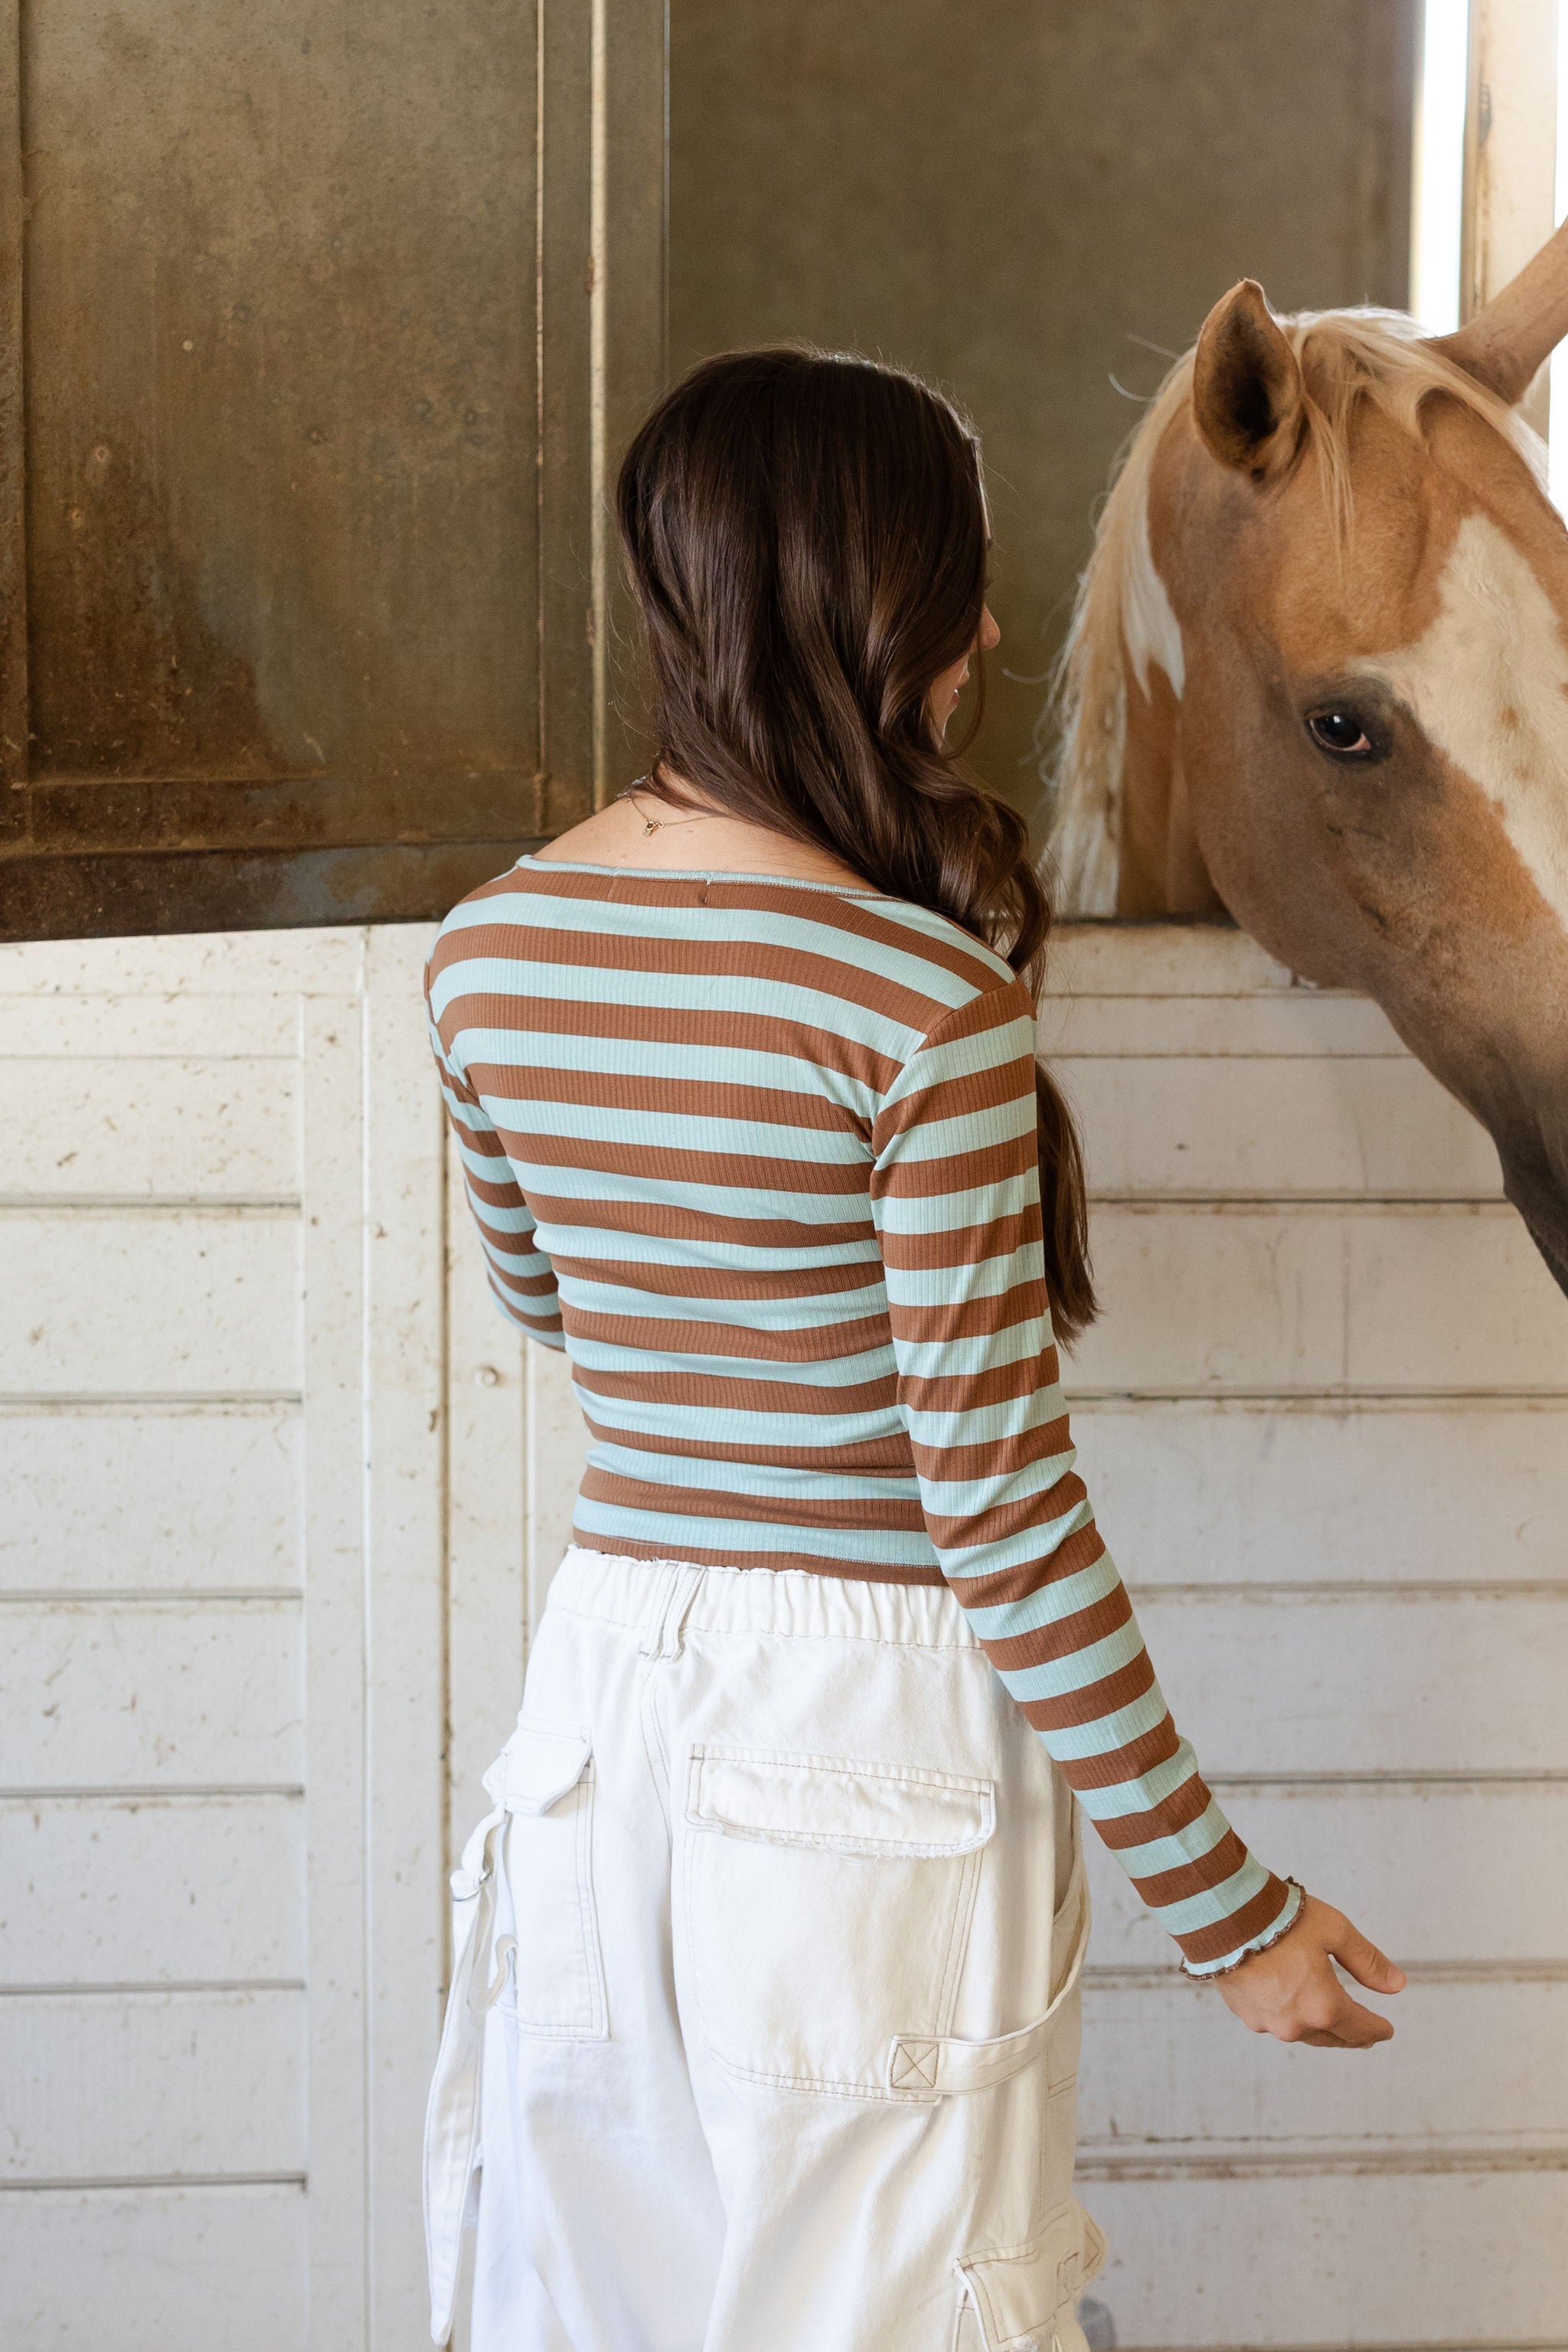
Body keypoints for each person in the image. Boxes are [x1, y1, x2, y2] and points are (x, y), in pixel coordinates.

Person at [421, 347, 1404, 2352]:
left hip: (605, 1704)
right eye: (966, 580)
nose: (983, 630)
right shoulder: (917, 1003)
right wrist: (1235, 1919)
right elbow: (1002, 1519)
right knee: (901, 2314)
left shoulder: (486, 948)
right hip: (860, 1748)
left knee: (589, 2298)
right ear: (896, 612)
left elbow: (546, 1301)